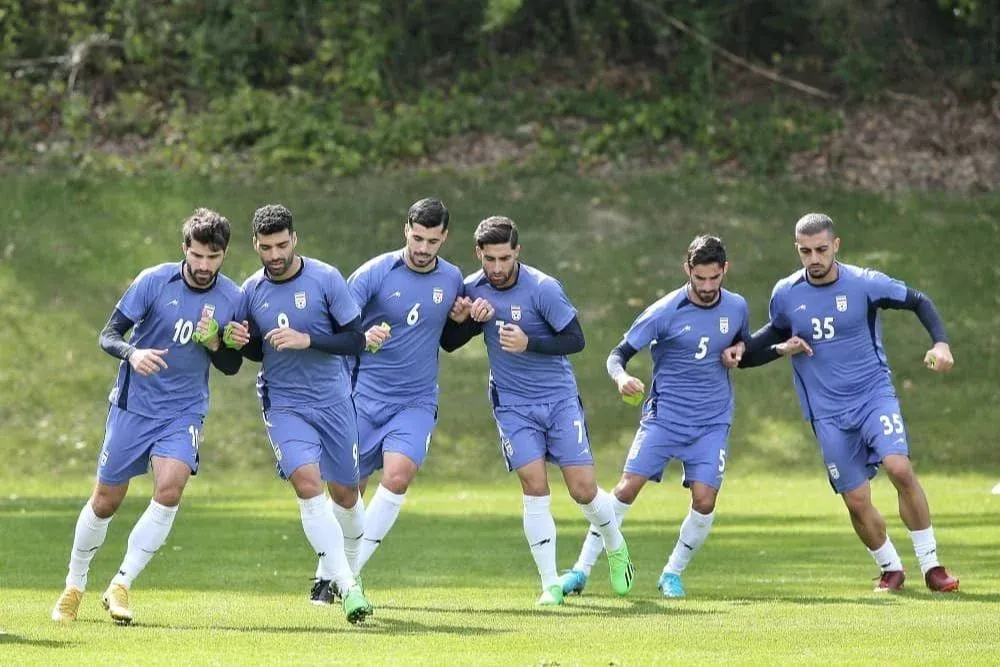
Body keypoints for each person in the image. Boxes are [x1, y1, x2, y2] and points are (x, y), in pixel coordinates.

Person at [739, 212, 959, 593]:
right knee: (856, 500)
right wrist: (769, 349)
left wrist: (940, 342)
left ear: (835, 245)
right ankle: (891, 568)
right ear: (797, 249)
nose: (814, 259)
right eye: (805, 251)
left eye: (821, 249)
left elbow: (919, 301)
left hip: (873, 396)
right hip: (827, 413)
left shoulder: (865, 283)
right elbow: (762, 345)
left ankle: (932, 566)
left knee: (899, 468)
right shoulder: (786, 294)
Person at [52, 208, 246, 625]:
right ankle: (74, 584)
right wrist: (133, 352)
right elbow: (108, 335)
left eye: (212, 258)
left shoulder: (232, 297)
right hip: (133, 407)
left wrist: (215, 343)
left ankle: (121, 584)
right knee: (105, 502)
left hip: (183, 411)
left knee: (171, 488)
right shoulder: (153, 281)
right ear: (184, 249)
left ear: (224, 255)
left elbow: (232, 366)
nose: (203, 266)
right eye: (196, 256)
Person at [442, 215, 634, 606]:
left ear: (518, 252)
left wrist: (530, 342)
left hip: (559, 400)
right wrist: (463, 321)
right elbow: (448, 343)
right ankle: (549, 584)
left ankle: (615, 545)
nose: (496, 268)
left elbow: (576, 339)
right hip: (512, 404)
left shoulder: (544, 288)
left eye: (504, 259)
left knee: (583, 491)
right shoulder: (471, 288)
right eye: (489, 259)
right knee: (534, 485)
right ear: (478, 254)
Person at [559, 235, 750, 599]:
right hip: (665, 418)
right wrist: (622, 378)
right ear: (687, 271)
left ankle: (672, 573)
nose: (707, 287)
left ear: (724, 270)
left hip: (712, 420)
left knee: (705, 500)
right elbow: (617, 354)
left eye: (714, 278)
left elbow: (742, 342)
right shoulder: (664, 311)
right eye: (700, 279)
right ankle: (581, 570)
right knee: (626, 489)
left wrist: (739, 349)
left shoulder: (738, 307)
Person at [309, 197, 465, 604]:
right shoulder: (374, 274)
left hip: (415, 401)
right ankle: (326, 574)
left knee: (397, 477)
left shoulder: (452, 279)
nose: (423, 248)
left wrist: (465, 319)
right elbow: (337, 331)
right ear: (406, 230)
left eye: (433, 240)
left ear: (444, 238)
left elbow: (448, 337)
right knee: (348, 493)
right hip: (361, 399)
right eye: (417, 237)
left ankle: (348, 577)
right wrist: (364, 337)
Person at [233, 204, 374, 624]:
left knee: (346, 495)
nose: (274, 255)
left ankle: (346, 573)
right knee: (308, 485)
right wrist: (239, 340)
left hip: (333, 401)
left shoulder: (326, 278)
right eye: (265, 247)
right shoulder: (251, 289)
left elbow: (355, 340)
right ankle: (346, 587)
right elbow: (255, 349)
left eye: (281, 245)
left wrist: (306, 339)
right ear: (255, 245)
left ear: (294, 239)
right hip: (284, 403)